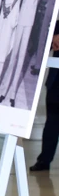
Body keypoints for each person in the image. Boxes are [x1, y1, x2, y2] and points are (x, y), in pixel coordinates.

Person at [2, 0, 49, 107]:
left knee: (22, 55)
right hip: (21, 11)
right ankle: (4, 90)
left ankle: (13, 93)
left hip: (31, 15)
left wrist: (36, 6)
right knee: (13, 53)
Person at [31, 30, 59, 171]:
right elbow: (44, 40)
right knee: (52, 122)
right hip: (56, 80)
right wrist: (53, 38)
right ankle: (44, 160)